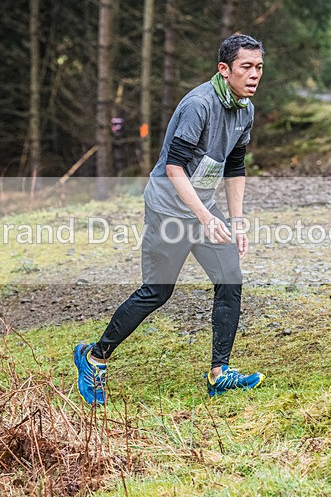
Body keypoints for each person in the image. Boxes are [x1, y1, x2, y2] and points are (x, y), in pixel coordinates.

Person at [73, 34, 266, 405]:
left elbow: (236, 166)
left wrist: (237, 220)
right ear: (224, 70)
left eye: (258, 67)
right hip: (169, 208)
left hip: (203, 208)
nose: (254, 75)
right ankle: (94, 357)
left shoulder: (245, 109)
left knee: (230, 279)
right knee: (157, 292)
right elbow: (175, 168)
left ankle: (219, 373)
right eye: (246, 67)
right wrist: (205, 217)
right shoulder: (199, 105)